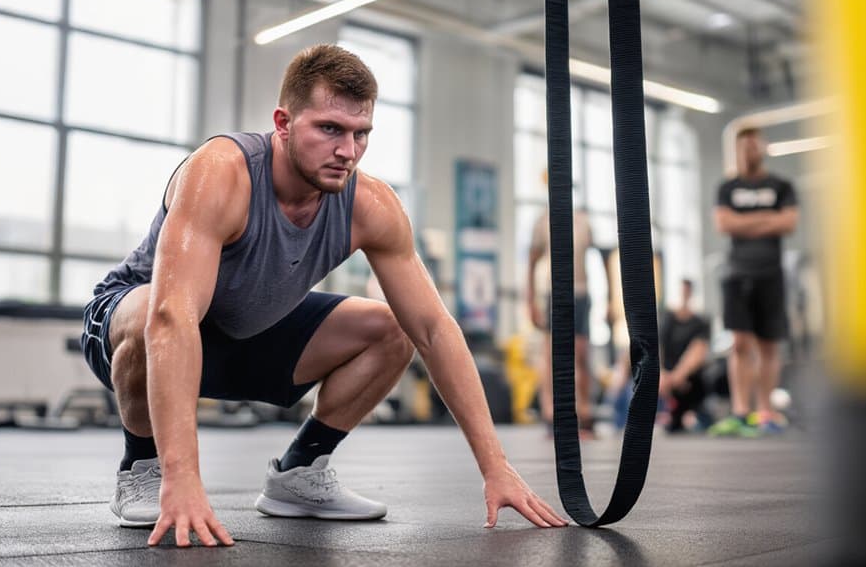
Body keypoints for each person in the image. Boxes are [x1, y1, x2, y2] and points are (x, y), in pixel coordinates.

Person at [80, 44, 566, 548]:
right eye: (329, 129)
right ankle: (143, 466)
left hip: (245, 333)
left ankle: (300, 472)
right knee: (147, 313)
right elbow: (171, 318)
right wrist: (184, 478)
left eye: (361, 134)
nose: (348, 151)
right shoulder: (223, 172)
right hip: (133, 330)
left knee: (394, 327)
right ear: (284, 123)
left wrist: (497, 467)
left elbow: (434, 329)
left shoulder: (371, 204)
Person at [708, 127, 799, 437]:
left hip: (770, 273)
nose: (748, 153)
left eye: (752, 147)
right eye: (742, 148)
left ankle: (766, 412)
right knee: (740, 343)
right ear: (737, 152)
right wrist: (766, 220)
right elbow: (723, 223)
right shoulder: (727, 187)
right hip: (737, 274)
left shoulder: (781, 185)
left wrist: (743, 223)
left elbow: (788, 222)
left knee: (769, 344)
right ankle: (740, 412)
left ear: (762, 148)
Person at [525, 198, 593, 437]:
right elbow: (532, 262)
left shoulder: (584, 222)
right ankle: (551, 414)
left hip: (581, 293)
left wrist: (611, 303)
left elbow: (600, 258)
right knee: (552, 354)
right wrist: (530, 300)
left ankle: (584, 413)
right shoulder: (543, 221)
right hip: (553, 292)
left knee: (582, 354)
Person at [658, 279, 712, 433]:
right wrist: (661, 374)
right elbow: (658, 347)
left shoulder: (700, 322)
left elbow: (698, 350)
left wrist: (678, 376)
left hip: (688, 379)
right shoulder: (667, 318)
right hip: (665, 378)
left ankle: (691, 415)